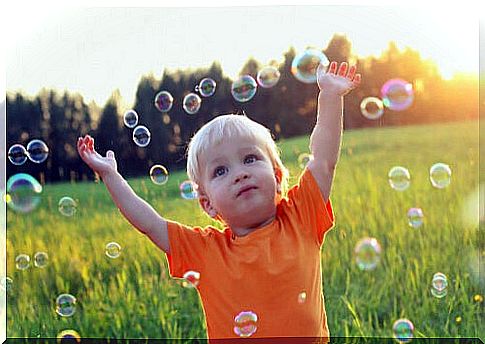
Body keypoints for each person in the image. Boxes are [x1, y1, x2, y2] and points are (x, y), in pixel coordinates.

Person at [77, 61, 361, 340]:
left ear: (276, 176)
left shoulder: (301, 217)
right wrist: (111, 175)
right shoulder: (206, 251)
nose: (240, 174)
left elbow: (323, 161)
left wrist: (330, 96)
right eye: (220, 170)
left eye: (250, 158)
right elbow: (150, 224)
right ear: (207, 204)